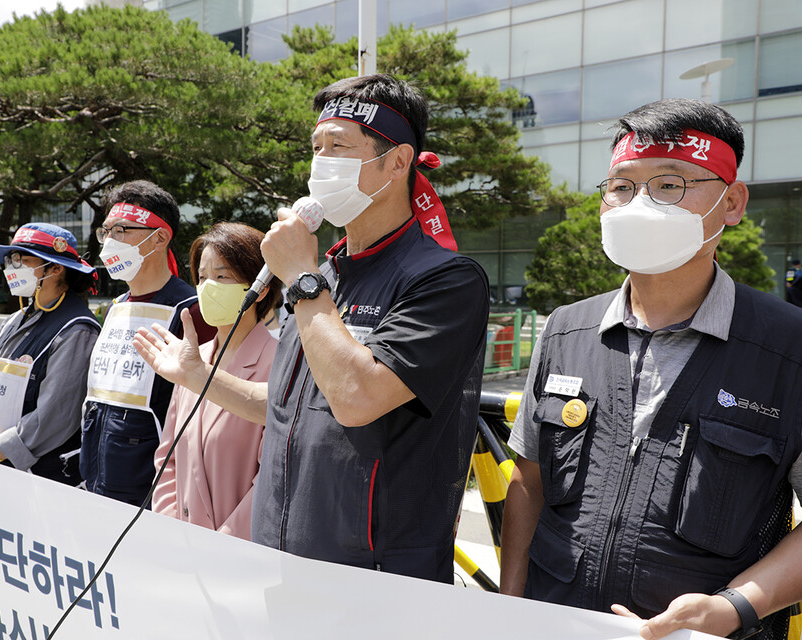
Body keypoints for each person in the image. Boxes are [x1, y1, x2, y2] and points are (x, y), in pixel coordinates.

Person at [137, 74, 489, 582]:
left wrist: (301, 279)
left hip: (373, 574)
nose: (322, 163)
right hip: (281, 557)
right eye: (316, 148)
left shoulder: (444, 279)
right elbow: (286, 406)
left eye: (339, 147)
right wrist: (198, 377)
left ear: (397, 162)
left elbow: (355, 396)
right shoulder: (326, 276)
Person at [501, 98, 802, 640]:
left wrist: (735, 607)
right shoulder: (566, 329)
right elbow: (530, 480)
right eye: (621, 186)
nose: (639, 203)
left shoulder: (789, 347)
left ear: (731, 203)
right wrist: (509, 608)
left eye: (671, 185)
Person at [139, 222, 280, 539]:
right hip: (183, 545)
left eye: (222, 276)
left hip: (240, 551)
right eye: (201, 277)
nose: (207, 287)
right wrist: (171, 526)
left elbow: (273, 477)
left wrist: (222, 543)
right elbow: (168, 457)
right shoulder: (192, 357)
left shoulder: (280, 364)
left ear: (261, 288)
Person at [80, 180, 216, 506]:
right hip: (95, 483)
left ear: (160, 238)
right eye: (106, 231)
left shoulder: (192, 310)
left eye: (122, 230)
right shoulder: (116, 307)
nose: (110, 242)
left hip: (153, 497)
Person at [0, 223, 100, 486]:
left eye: (21, 260)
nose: (11, 267)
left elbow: (53, 417)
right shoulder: (14, 320)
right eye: (10, 260)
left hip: (38, 477)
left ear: (55, 268)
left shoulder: (77, 329)